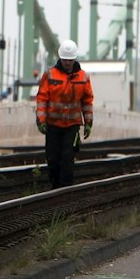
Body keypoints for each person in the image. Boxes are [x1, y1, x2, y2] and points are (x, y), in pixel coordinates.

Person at [34, 40, 95, 188]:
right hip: (53, 125)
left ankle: (65, 189)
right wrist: (41, 120)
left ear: (74, 59)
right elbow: (42, 99)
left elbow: (87, 101)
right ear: (60, 58)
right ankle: (55, 185)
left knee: (67, 157)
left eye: (70, 60)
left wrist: (88, 123)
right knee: (53, 158)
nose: (67, 63)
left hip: (72, 126)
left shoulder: (83, 77)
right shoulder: (49, 75)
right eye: (65, 60)